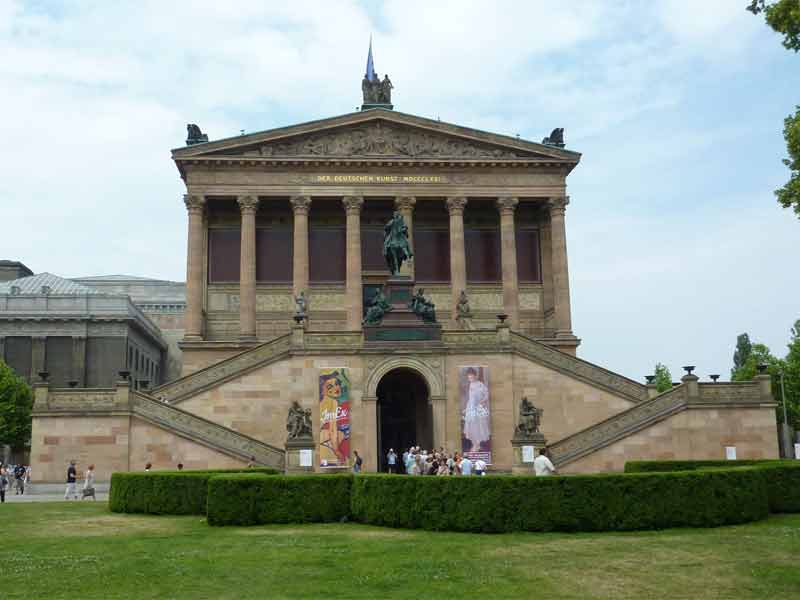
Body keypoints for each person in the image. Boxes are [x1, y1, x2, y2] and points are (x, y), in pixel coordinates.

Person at [463, 368, 490, 453]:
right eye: (468, 376)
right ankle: (475, 444)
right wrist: (466, 408)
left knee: (478, 426)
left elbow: (486, 395)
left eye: (471, 376)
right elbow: (471, 398)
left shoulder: (480, 384)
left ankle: (477, 445)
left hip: (478, 408)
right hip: (471, 408)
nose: (470, 377)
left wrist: (481, 403)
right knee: (471, 426)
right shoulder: (470, 385)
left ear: (475, 375)